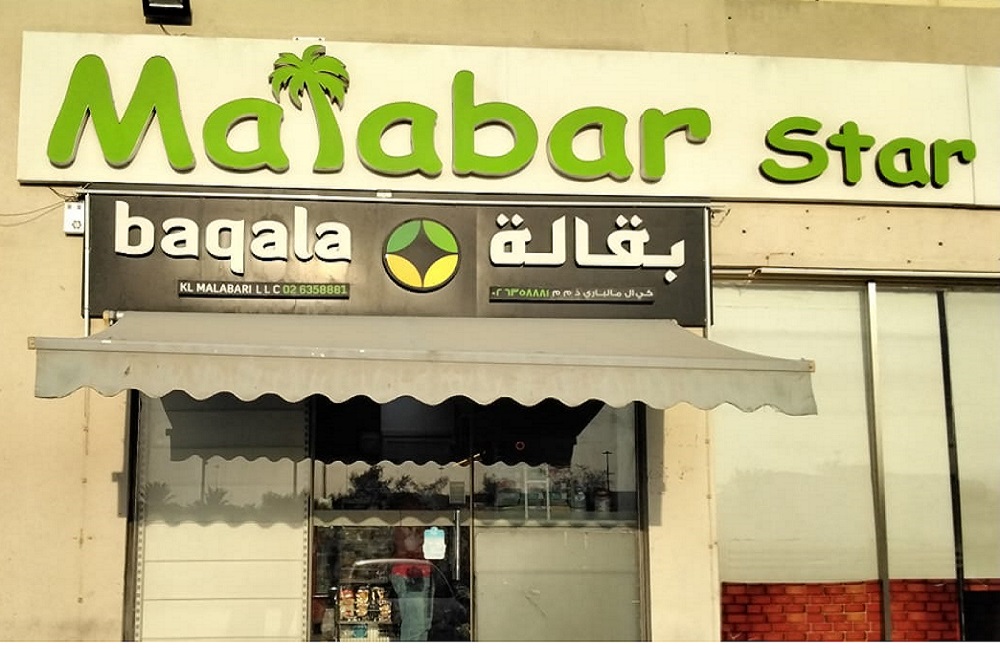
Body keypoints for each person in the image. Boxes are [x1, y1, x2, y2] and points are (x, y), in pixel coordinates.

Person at [390, 524, 434, 641]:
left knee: (423, 625)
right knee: (415, 625)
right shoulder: (403, 524)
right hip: (409, 574)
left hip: (422, 573)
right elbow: (410, 545)